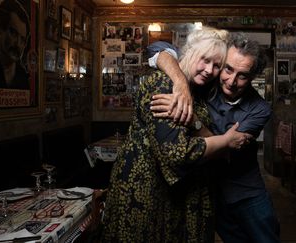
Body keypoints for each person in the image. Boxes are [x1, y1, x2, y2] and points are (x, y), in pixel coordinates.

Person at [100, 27, 251, 242]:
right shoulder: (163, 84)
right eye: (205, 60)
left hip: (173, 198)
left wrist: (200, 126)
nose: (209, 70)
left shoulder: (198, 92)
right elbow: (177, 153)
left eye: (217, 65)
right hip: (145, 195)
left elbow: (203, 135)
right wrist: (226, 142)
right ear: (188, 53)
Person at [148, 33, 280, 242]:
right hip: (210, 192)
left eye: (242, 75)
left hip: (248, 193)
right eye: (228, 69)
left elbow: (225, 149)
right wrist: (180, 81)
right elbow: (157, 48)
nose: (231, 81)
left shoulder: (260, 109)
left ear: (253, 77)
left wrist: (191, 119)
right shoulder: (206, 84)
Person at [0, 0, 30, 90]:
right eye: (13, 33)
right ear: (0, 27)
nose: (17, 44)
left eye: (22, 40)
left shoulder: (23, 76)